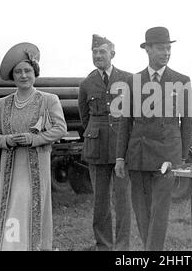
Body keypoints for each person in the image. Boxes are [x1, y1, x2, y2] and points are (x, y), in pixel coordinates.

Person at [115, 27, 192, 251]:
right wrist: (120, 157)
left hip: (166, 157)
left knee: (160, 211)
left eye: (169, 48)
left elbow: (187, 122)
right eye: (161, 48)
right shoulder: (133, 81)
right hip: (138, 155)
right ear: (148, 49)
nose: (166, 53)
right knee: (142, 211)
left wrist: (180, 156)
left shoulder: (181, 81)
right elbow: (125, 122)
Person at [0, 42, 67, 251]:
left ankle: (35, 246)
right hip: (11, 168)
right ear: (12, 76)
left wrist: (34, 139)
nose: (23, 75)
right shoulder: (2, 104)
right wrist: (7, 140)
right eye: (18, 72)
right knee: (12, 206)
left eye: (27, 71)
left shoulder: (49, 100)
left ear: (35, 73)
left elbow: (60, 128)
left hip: (36, 167)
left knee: (29, 204)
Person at [78, 34, 132, 251]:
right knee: (101, 202)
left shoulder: (128, 79)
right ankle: (104, 245)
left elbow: (134, 114)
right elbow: (85, 117)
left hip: (122, 147)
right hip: (97, 147)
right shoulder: (87, 83)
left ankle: (121, 247)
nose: (98, 56)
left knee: (122, 201)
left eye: (102, 52)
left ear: (113, 54)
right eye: (95, 52)